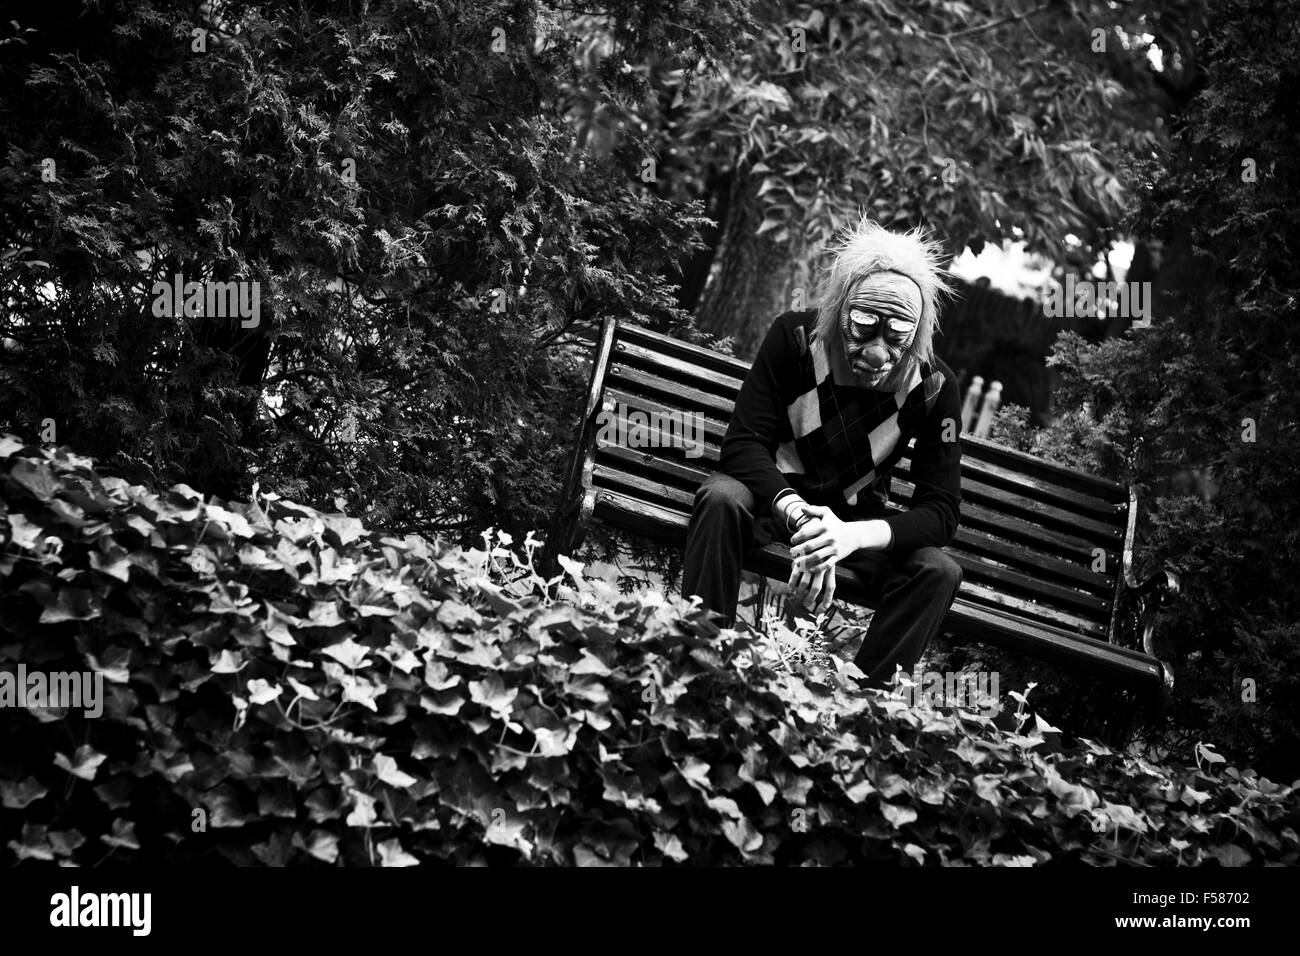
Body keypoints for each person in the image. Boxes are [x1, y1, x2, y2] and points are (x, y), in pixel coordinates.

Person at [681, 219, 964, 687]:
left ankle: (860, 712)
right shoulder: (794, 339)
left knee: (938, 571)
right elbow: (743, 444)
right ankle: (701, 667)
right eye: (864, 326)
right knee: (721, 497)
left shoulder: (933, 386)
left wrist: (851, 537)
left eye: (896, 335)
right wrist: (800, 515)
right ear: (840, 309)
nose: (877, 351)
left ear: (916, 333)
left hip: (854, 526)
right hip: (775, 503)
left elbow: (941, 510)